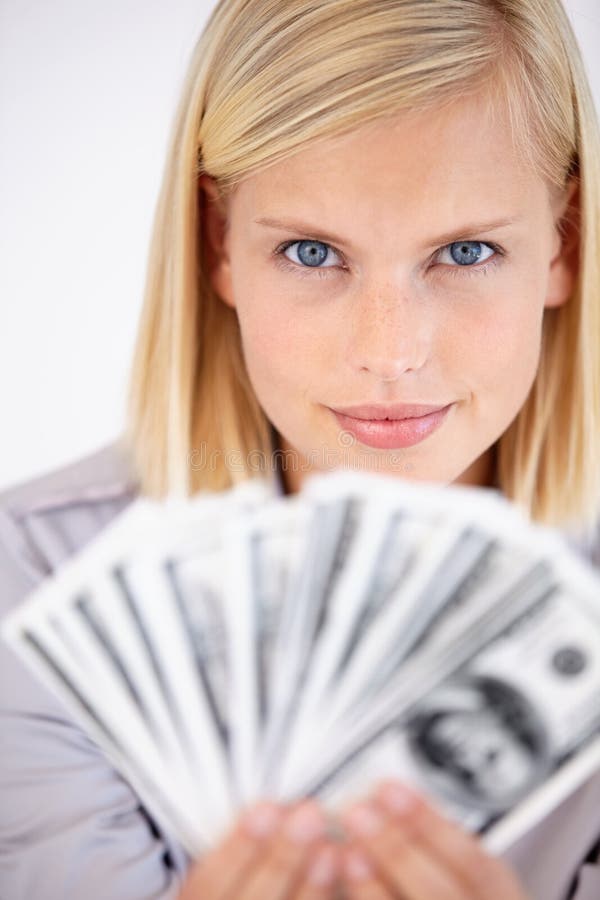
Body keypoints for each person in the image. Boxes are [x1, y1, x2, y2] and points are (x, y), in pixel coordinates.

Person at [1, 0, 600, 897]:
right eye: (313, 252)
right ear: (220, 243)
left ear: (565, 240)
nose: (390, 350)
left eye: (466, 251)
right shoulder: (34, 581)